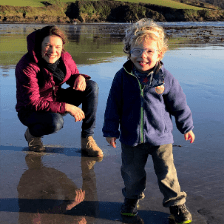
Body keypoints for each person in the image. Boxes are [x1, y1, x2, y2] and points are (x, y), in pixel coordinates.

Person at [102, 19, 195, 224]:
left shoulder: (165, 77)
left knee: (167, 173)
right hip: (131, 138)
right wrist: (110, 130)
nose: (143, 56)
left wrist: (186, 126)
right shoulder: (122, 77)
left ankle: (176, 204)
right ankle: (131, 200)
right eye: (137, 51)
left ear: (160, 53)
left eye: (149, 51)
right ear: (129, 52)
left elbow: (178, 103)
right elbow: (113, 105)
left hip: (161, 137)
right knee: (131, 173)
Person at [15, 25, 103, 157]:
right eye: (48, 45)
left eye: (58, 47)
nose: (53, 51)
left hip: (56, 98)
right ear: (40, 45)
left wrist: (79, 77)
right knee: (56, 122)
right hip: (30, 110)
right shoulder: (27, 66)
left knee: (91, 86)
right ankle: (32, 134)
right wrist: (67, 107)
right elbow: (33, 102)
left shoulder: (65, 57)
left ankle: (87, 139)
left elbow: (72, 74)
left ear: (62, 48)